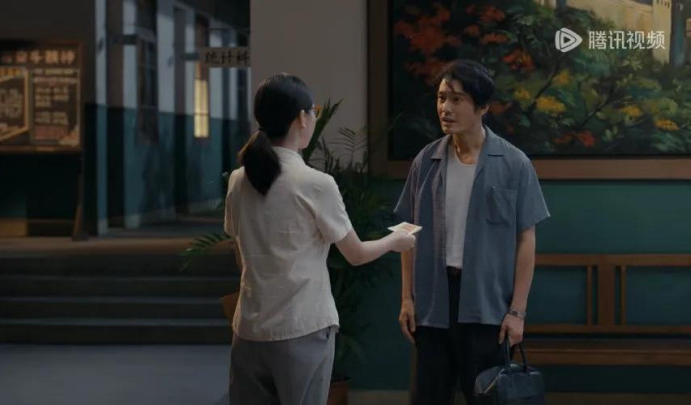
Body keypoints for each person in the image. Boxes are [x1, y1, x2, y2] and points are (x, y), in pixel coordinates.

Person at [224, 73, 416, 405]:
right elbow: (356, 254)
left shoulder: (239, 179)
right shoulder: (315, 183)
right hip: (301, 327)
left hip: (249, 329)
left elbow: (238, 248)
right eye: (313, 112)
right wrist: (395, 241)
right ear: (302, 118)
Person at [394, 60, 550, 405]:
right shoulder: (425, 161)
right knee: (427, 397)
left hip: (487, 306)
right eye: (441, 98)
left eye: (457, 99)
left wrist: (517, 311)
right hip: (432, 303)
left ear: (482, 107)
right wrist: (407, 298)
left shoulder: (514, 164)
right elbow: (407, 231)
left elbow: (526, 240)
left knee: (486, 398)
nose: (445, 108)